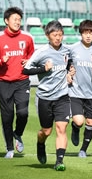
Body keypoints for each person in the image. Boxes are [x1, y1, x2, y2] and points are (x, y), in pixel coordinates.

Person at [22, 20, 74, 171]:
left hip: (62, 97)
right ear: (47, 35)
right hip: (44, 97)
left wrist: (70, 71)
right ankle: (40, 143)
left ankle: (59, 161)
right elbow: (25, 70)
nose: (58, 38)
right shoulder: (41, 52)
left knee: (61, 128)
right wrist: (43, 68)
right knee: (46, 131)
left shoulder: (67, 50)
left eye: (60, 35)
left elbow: (69, 62)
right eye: (54, 35)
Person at [0, 6, 35, 159]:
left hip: (22, 81)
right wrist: (2, 61)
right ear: (6, 21)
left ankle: (18, 134)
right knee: (7, 117)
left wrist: (29, 61)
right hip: (4, 83)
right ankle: (9, 148)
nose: (17, 22)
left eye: (19, 20)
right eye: (15, 19)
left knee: (23, 113)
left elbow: (33, 57)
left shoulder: (27, 39)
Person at [68, 19, 92, 158]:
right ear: (81, 33)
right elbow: (66, 65)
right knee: (79, 121)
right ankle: (75, 128)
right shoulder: (73, 49)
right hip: (75, 92)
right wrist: (68, 74)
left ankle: (83, 149)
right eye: (85, 33)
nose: (88, 36)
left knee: (90, 122)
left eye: (91, 33)